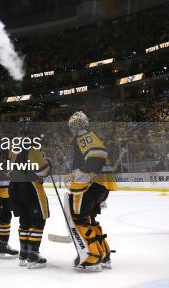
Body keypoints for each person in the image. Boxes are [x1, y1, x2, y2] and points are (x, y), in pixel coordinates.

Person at [65, 111, 116, 271]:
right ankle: (103, 254)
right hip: (99, 186)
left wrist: (80, 173)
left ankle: (91, 257)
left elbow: (97, 156)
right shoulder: (90, 136)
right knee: (89, 219)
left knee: (79, 219)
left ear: (75, 126)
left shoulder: (84, 137)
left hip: (88, 187)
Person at [9, 144, 52, 268]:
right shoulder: (31, 146)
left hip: (15, 187)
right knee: (38, 222)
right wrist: (48, 162)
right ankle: (33, 256)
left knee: (25, 222)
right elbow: (43, 170)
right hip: (30, 187)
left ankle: (24, 254)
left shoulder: (13, 147)